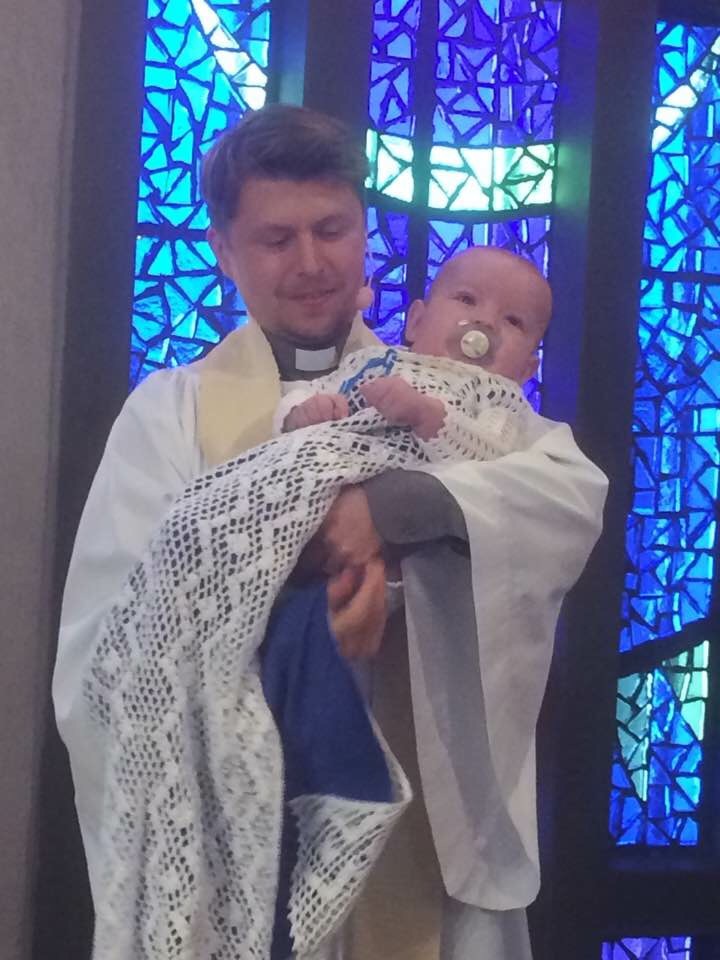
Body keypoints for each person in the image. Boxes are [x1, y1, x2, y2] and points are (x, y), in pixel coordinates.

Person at [53, 104, 608, 960]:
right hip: (234, 834)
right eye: (277, 239)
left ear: (364, 229)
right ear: (224, 250)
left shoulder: (449, 389)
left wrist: (389, 512)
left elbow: (565, 498)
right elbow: (108, 653)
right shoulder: (169, 413)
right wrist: (297, 591)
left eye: (333, 229)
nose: (311, 263)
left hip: (418, 841)